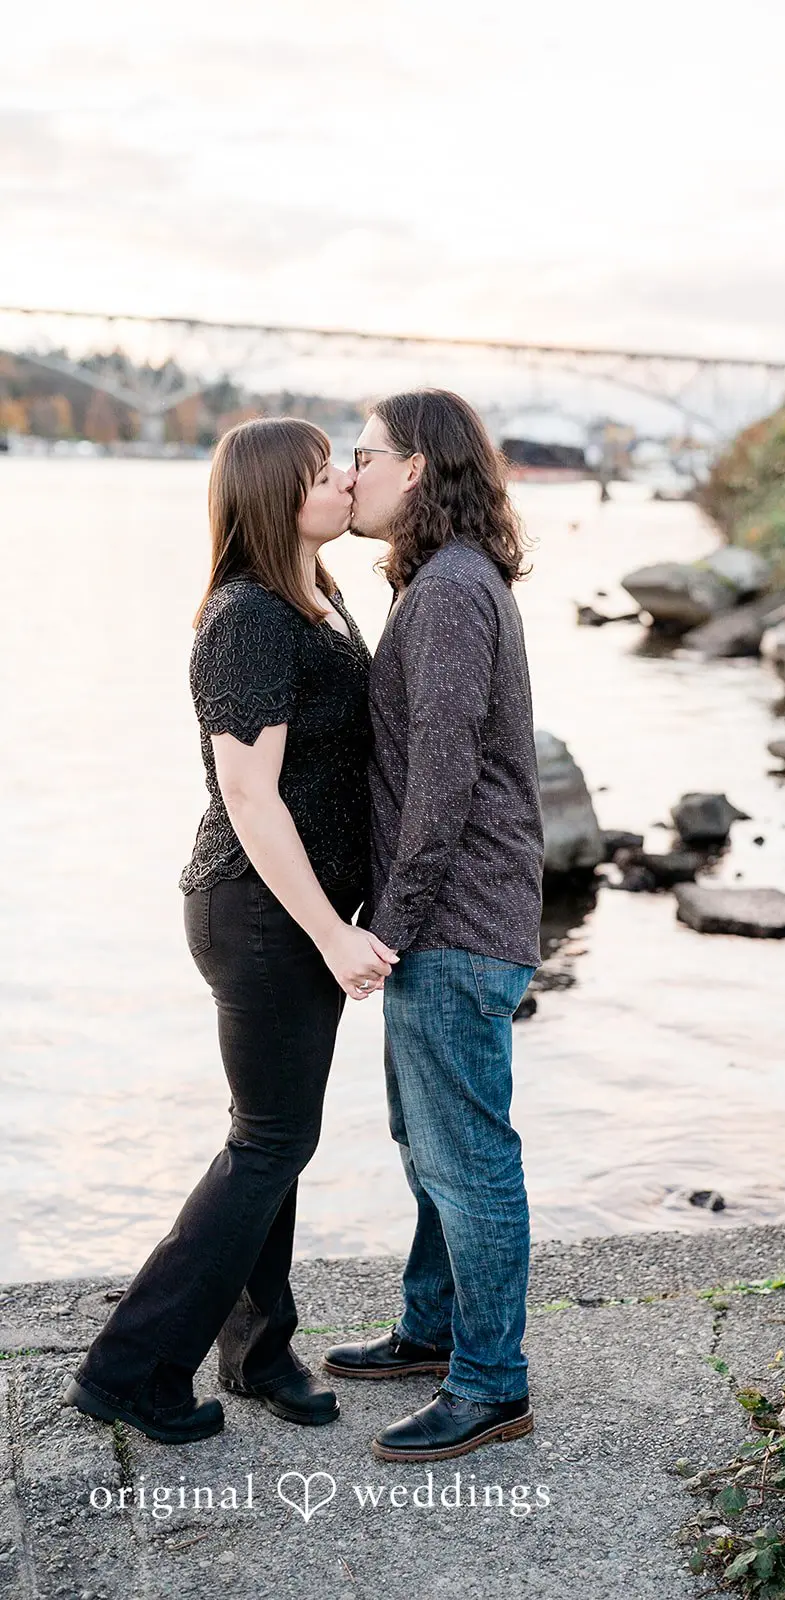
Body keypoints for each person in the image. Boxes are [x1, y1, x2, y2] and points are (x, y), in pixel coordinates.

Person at [62, 417, 396, 1445]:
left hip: (290, 909)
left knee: (273, 1141)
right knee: (269, 1142)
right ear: (273, 498)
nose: (345, 480)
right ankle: (129, 1365)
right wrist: (333, 935)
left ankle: (255, 1352)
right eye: (323, 472)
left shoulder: (318, 597)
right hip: (256, 911)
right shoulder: (249, 619)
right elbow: (249, 796)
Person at [322, 390, 544, 1464]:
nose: (348, 473)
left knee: (466, 1159)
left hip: (456, 922)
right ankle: (430, 1328)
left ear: (414, 469)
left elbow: (446, 778)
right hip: (451, 920)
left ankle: (491, 1382)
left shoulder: (452, 591)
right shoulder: (445, 583)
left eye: (361, 455)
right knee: (430, 1149)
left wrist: (386, 926)